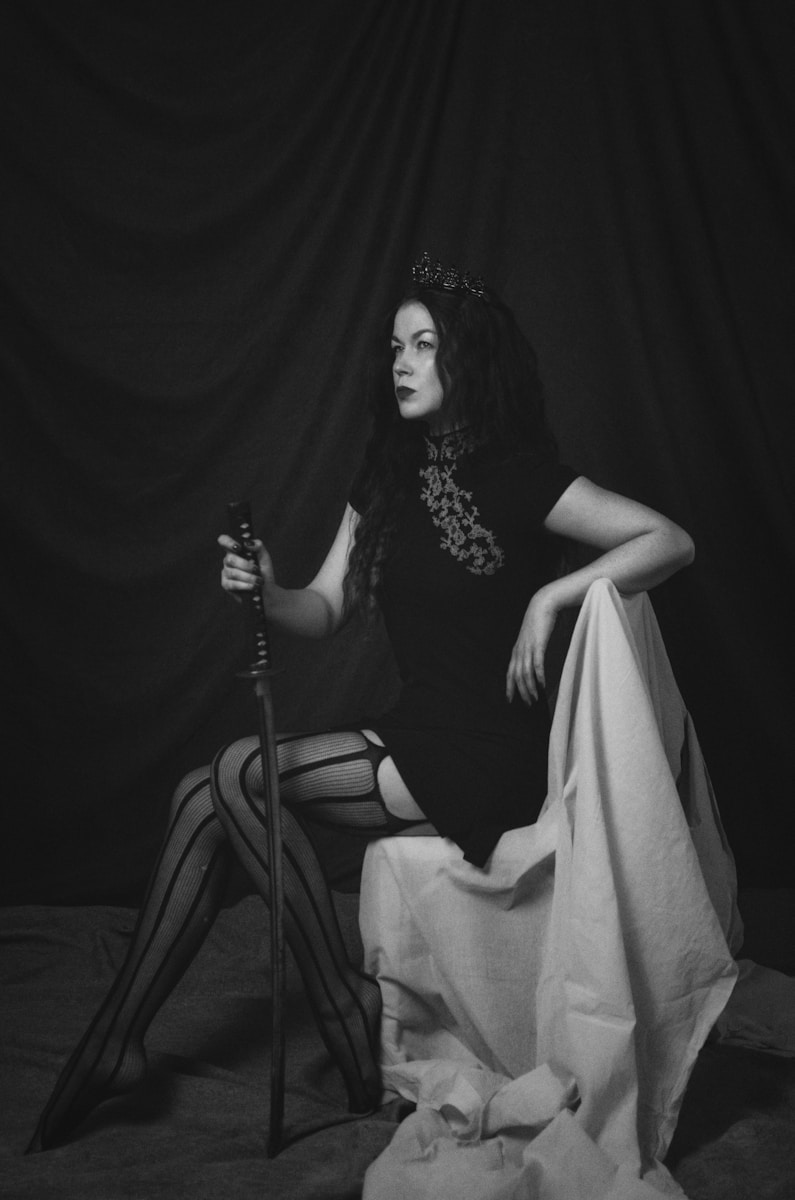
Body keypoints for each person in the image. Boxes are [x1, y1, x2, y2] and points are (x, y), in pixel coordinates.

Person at [27, 253, 694, 1152]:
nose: (402, 362)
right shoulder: (381, 483)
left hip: (488, 750)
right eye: (394, 346)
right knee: (208, 792)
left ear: (470, 362)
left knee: (232, 774)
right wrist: (265, 592)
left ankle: (244, 1019)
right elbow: (325, 608)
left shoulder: (527, 479)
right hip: (414, 731)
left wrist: (553, 596)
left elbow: (669, 540)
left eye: (424, 345)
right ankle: (130, 1040)